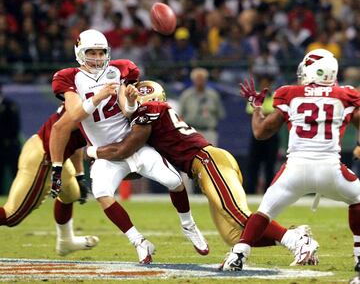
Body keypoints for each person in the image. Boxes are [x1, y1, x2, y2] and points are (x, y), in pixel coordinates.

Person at [86, 80, 319, 268]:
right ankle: (292, 235)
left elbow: (126, 148)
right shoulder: (157, 113)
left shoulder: (150, 110)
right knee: (233, 235)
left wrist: (92, 151)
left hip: (207, 161)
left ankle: (297, 242)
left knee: (237, 213)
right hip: (206, 165)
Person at [51, 29, 208, 264]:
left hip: (133, 143)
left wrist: (133, 99)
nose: (96, 57)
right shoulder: (69, 77)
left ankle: (189, 225)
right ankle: (139, 242)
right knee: (103, 193)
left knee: (174, 181)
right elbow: (74, 114)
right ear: (79, 53)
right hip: (105, 154)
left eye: (100, 52)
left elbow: (128, 111)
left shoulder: (119, 70)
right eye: (90, 52)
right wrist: (98, 96)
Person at [221, 48, 360, 272]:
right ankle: (359, 255)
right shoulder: (346, 95)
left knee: (264, 212)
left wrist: (257, 107)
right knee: (357, 198)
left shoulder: (290, 93)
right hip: (331, 170)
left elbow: (261, 132)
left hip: (294, 171)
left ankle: (238, 255)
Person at [0, 104, 98, 256]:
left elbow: (76, 138)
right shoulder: (96, 101)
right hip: (45, 156)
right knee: (11, 216)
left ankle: (66, 241)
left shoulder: (88, 99)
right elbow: (61, 130)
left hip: (56, 154)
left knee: (72, 194)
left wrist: (79, 174)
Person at [179, 67, 225, 147]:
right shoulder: (186, 95)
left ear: (206, 80)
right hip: (191, 131)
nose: (200, 81)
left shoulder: (213, 95)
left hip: (209, 131)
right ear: (193, 80)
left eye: (202, 79)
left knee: (210, 156)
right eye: (197, 79)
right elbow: (180, 115)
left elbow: (220, 114)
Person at [0, 86, 21, 194]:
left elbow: (15, 126)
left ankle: (19, 194)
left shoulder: (10, 105)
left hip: (11, 145)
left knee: (16, 172)